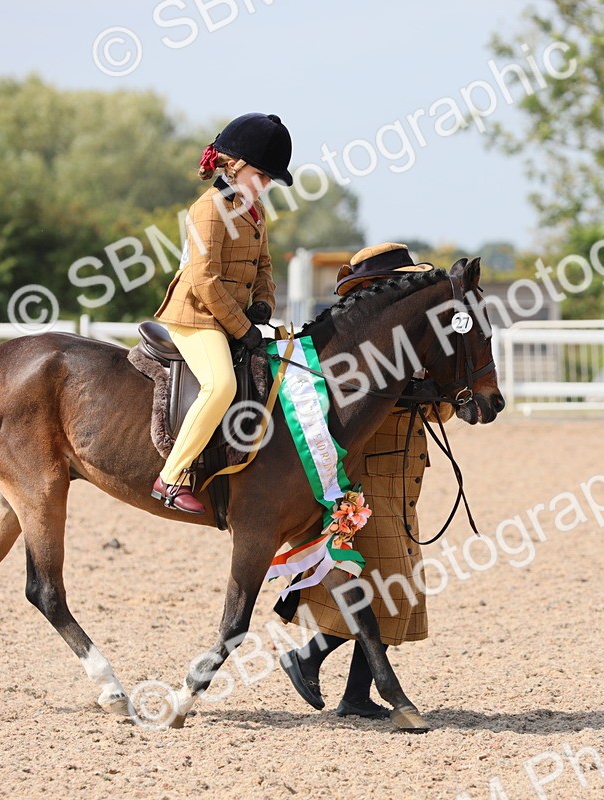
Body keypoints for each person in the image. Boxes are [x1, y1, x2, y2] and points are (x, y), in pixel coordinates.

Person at [276, 243, 449, 719]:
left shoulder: (411, 342)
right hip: (367, 480)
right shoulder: (353, 348)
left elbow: (439, 411)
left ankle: (353, 694)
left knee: (393, 587)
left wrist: (435, 391)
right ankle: (308, 658)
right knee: (384, 584)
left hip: (403, 477)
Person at [151, 113, 293, 514]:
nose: (265, 184)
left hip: (229, 315)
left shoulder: (254, 211)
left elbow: (264, 267)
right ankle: (171, 477)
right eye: (261, 175)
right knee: (220, 386)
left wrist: (264, 302)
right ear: (235, 165)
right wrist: (242, 327)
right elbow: (204, 279)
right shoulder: (209, 209)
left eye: (269, 179)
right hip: (195, 315)